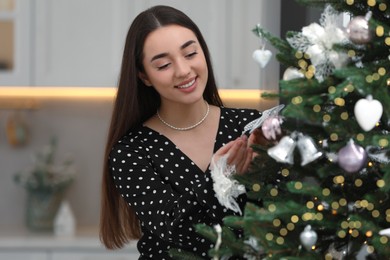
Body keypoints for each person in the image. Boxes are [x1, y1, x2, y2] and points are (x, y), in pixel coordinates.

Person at [100, 5, 264, 259]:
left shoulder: (249, 126)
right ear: (144, 76)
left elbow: (278, 218)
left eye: (190, 53)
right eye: (164, 65)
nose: (183, 70)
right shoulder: (130, 152)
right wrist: (220, 177)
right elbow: (181, 232)